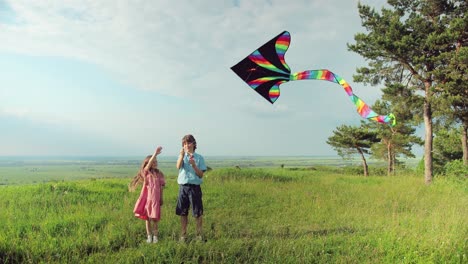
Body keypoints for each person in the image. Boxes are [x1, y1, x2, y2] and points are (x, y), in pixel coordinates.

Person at [129, 146, 166, 243]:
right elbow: (148, 165)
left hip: (155, 200)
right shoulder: (146, 173)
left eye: (156, 161)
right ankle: (149, 236)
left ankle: (155, 237)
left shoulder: (159, 174)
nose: (155, 163)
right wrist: (155, 154)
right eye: (153, 162)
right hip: (147, 200)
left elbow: (161, 187)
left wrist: (161, 198)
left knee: (155, 219)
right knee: (147, 219)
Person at [176, 134, 207, 242]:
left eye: (188, 143)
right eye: (184, 143)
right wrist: (181, 155)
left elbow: (200, 174)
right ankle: (183, 235)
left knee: (197, 212)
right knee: (183, 212)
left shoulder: (199, 158)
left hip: (195, 188)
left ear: (193, 144)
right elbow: (178, 166)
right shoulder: (182, 156)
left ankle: (198, 235)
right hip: (183, 187)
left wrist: (194, 165)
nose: (187, 145)